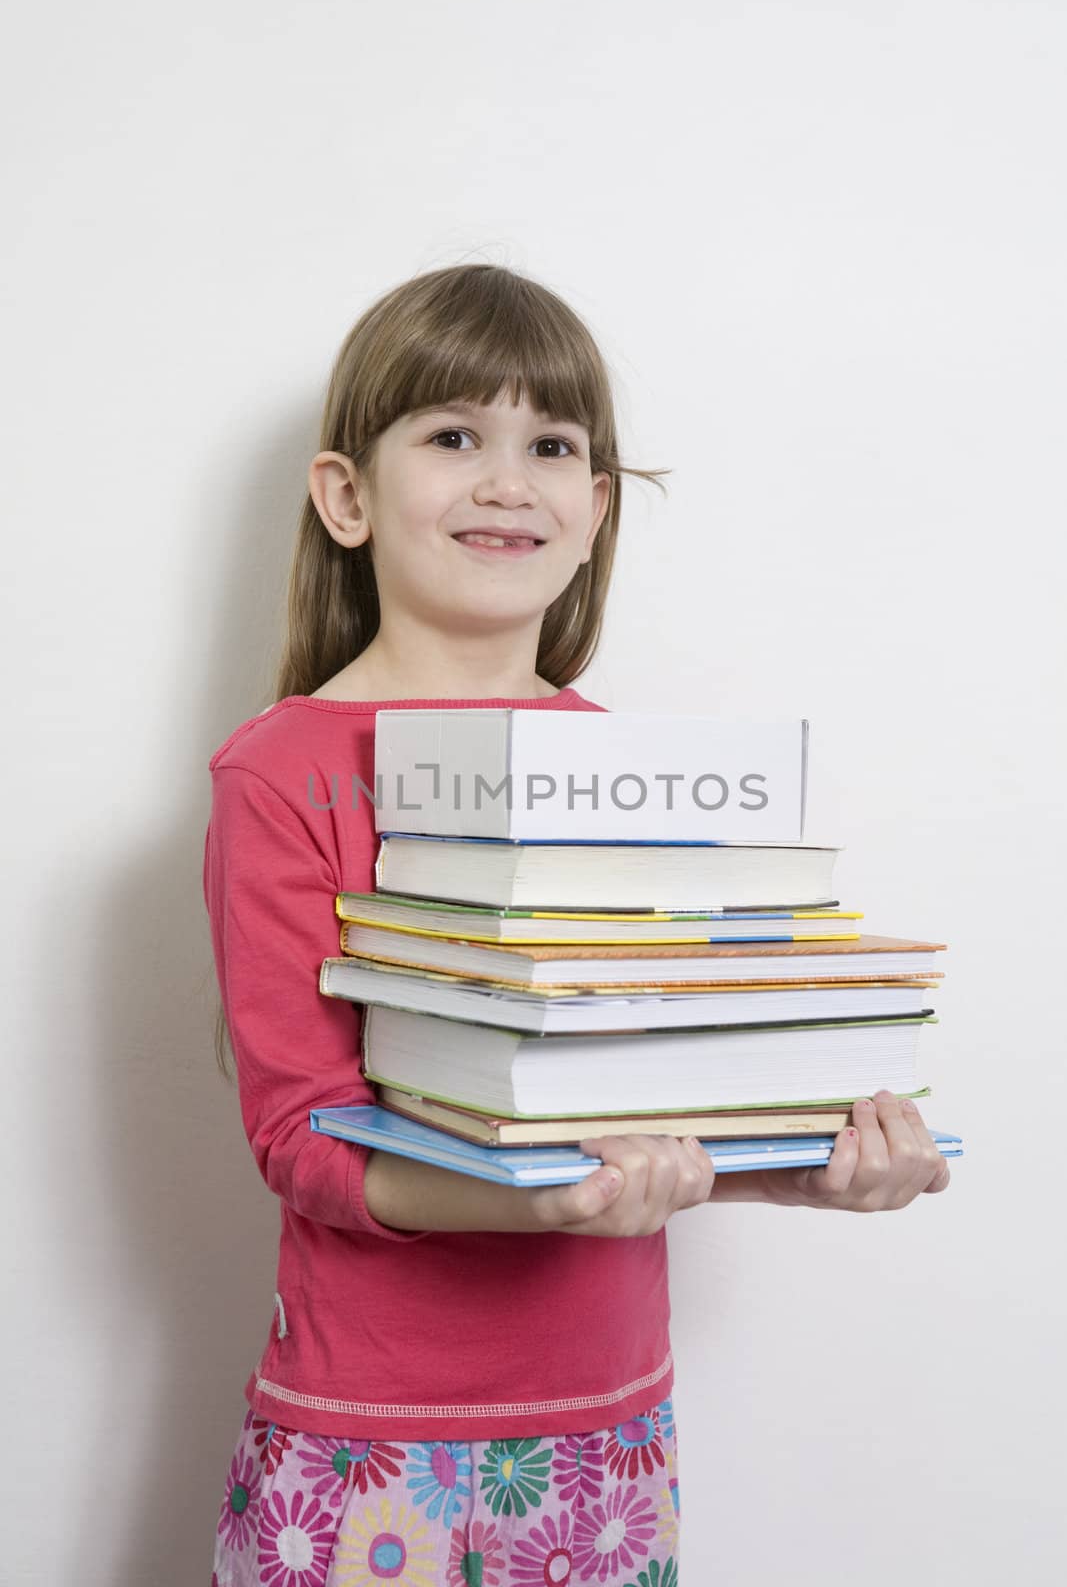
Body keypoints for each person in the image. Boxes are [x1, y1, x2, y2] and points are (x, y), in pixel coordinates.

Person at [203, 262, 951, 1587]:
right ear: (347, 497)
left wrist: (822, 1165)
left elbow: (661, 1110)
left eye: (552, 444)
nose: (509, 480)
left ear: (596, 509)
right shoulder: (285, 772)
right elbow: (301, 1144)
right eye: (452, 437)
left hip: (608, 1439)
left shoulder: (641, 773)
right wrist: (551, 1207)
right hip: (372, 1445)